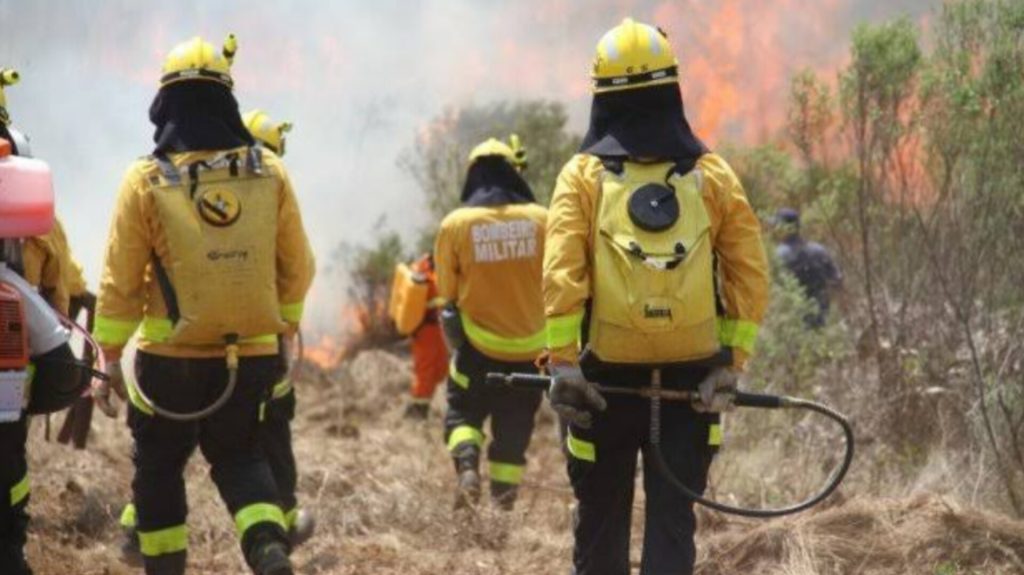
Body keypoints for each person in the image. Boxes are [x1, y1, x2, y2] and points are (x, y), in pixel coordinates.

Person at [542, 19, 770, 574]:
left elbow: (561, 273)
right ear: (673, 88)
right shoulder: (711, 174)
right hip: (692, 390)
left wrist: (565, 364)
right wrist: (731, 364)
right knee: (672, 525)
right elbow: (750, 273)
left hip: (601, 386)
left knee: (600, 522)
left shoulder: (583, 176)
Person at [91, 36, 315, 575]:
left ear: (166, 102)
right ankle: (269, 552)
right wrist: (285, 324)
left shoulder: (145, 179)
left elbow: (120, 279)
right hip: (253, 353)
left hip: (170, 359)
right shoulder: (270, 171)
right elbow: (298, 265)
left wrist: (108, 357)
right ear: (227, 101)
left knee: (161, 467)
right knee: (241, 457)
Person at [0, 67, 91, 575]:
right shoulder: (22, 186)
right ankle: (10, 550)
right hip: (11, 366)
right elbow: (61, 285)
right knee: (8, 464)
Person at [435, 136, 547, 510]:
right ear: (513, 172)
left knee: (463, 414)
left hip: (478, 348)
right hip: (533, 351)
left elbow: (446, 293)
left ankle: (467, 465)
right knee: (513, 431)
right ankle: (503, 506)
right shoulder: (543, 219)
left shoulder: (456, 224)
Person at [394, 252, 448, 420]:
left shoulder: (434, 274)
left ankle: (420, 405)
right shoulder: (424, 276)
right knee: (426, 370)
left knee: (440, 369)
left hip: (437, 330)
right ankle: (417, 411)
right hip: (426, 330)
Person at [773, 207, 841, 328]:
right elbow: (837, 280)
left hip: (792, 323)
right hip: (822, 319)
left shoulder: (778, 256)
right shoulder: (819, 250)